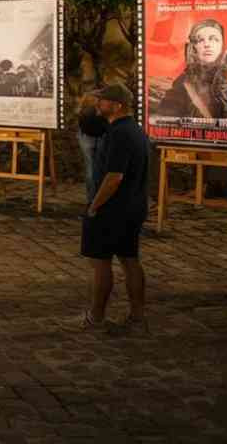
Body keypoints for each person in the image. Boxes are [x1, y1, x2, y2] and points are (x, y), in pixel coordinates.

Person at [78, 82, 150, 333]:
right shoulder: (135, 130)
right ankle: (137, 316)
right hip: (133, 205)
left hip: (113, 208)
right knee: (130, 260)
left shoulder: (119, 134)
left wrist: (94, 206)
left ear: (117, 106)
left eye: (103, 100)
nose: (98, 104)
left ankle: (96, 316)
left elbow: (114, 176)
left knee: (101, 262)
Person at [156, 19, 227, 121]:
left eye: (214, 39)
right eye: (200, 40)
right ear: (194, 47)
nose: (207, 44)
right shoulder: (183, 82)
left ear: (222, 44)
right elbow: (165, 118)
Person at [78, 92, 108, 201]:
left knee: (90, 168)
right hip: (100, 137)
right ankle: (99, 197)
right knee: (100, 169)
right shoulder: (99, 112)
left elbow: (82, 127)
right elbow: (105, 125)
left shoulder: (82, 111)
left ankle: (91, 199)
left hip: (86, 138)